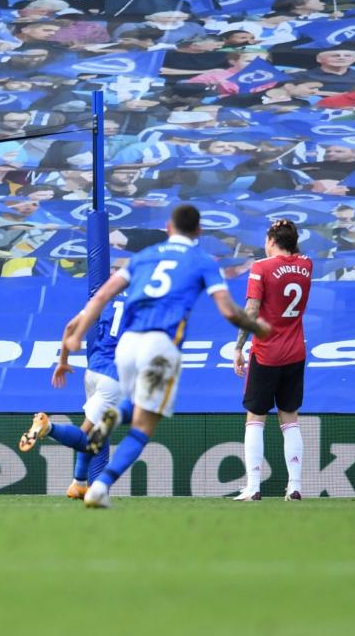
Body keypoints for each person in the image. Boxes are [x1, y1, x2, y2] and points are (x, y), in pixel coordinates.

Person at [64, 205, 272, 508]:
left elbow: (101, 297)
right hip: (160, 345)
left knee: (132, 403)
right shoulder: (203, 260)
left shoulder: (143, 257)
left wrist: (77, 334)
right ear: (199, 232)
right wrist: (257, 327)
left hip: (127, 344)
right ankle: (100, 486)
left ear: (168, 228)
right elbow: (228, 310)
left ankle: (109, 420)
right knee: (144, 425)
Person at [231, 220, 312, 502]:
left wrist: (239, 347)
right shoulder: (306, 265)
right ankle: (295, 486)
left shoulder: (261, 268)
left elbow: (251, 310)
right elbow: (295, 256)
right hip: (295, 352)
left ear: (271, 240)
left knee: (255, 418)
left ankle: (253, 486)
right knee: (289, 418)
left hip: (266, 352)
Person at [18, 290, 124, 500]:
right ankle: (47, 427)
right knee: (89, 438)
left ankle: (79, 483)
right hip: (115, 376)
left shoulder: (105, 299)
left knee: (92, 430)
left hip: (93, 370)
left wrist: (63, 361)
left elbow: (70, 327)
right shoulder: (145, 302)